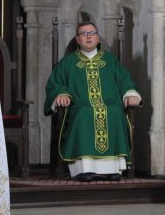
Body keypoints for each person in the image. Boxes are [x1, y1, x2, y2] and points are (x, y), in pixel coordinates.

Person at [45, 21, 141, 182]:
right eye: (84, 33)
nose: (88, 36)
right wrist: (61, 94)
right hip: (79, 106)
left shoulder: (111, 61)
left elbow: (125, 81)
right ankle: (85, 169)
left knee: (115, 112)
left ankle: (113, 169)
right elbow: (55, 83)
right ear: (77, 39)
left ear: (98, 38)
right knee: (85, 112)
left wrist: (130, 94)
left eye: (92, 33)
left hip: (111, 104)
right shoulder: (68, 62)